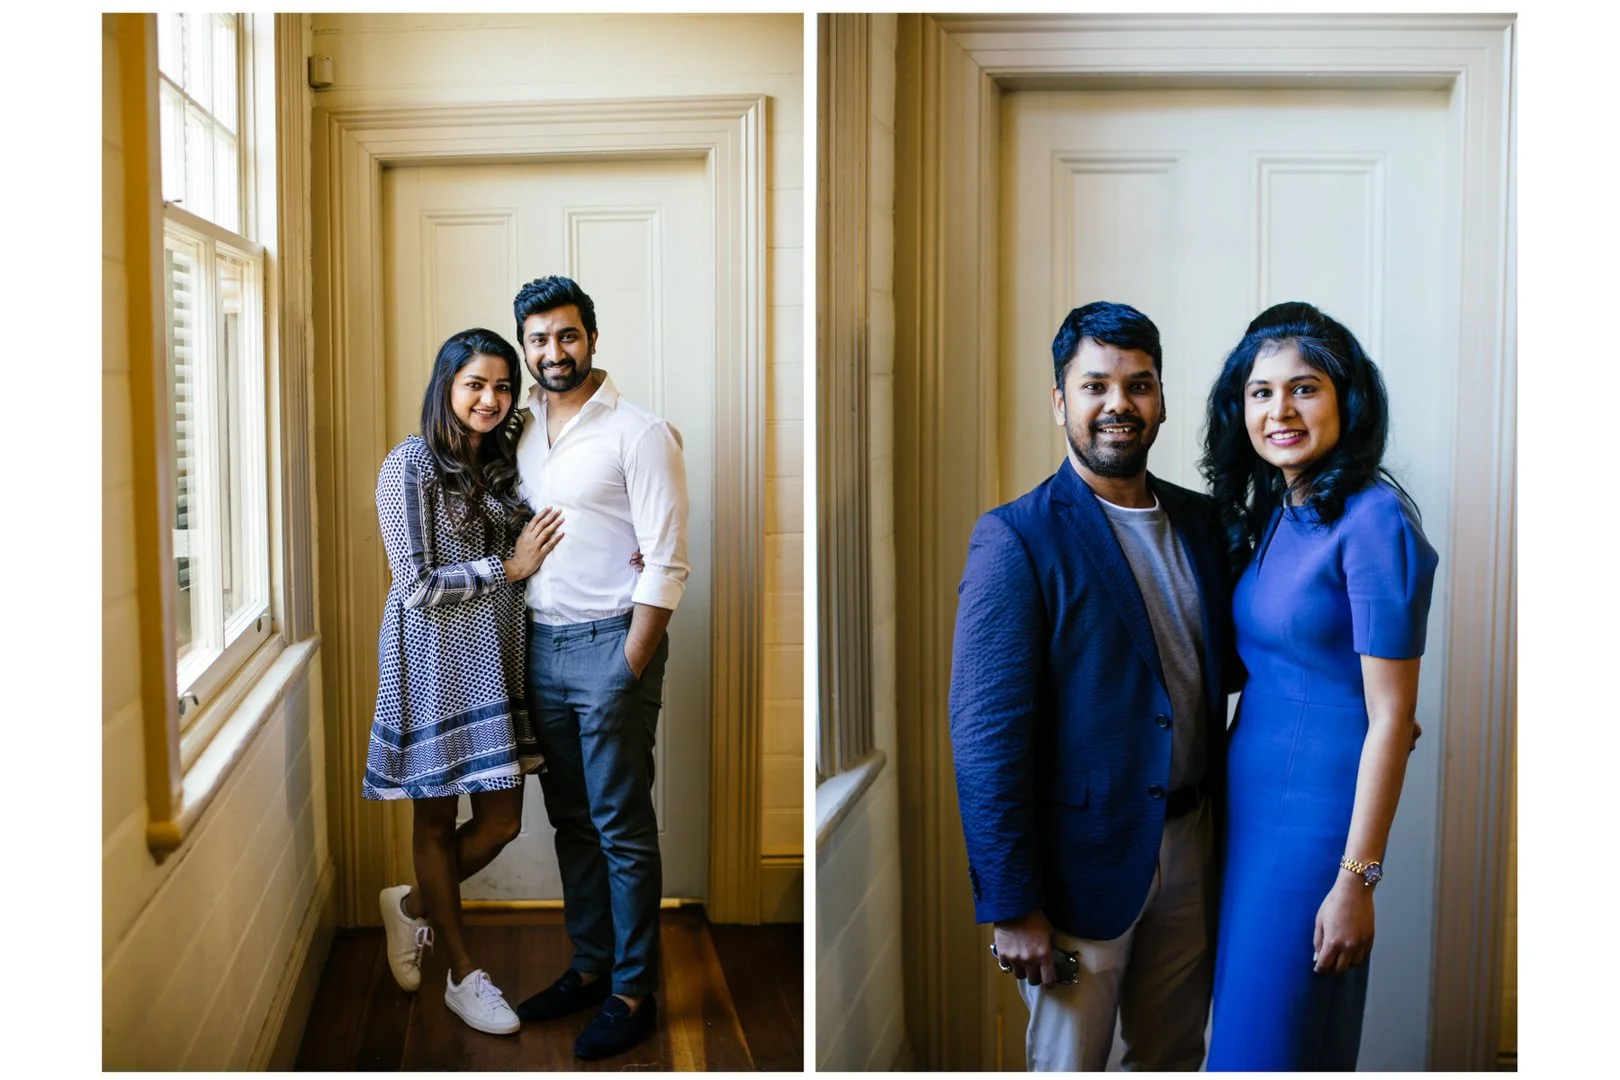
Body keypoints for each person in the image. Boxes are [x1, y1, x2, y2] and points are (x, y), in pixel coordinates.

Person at [949, 301, 1237, 1071]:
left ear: (1162, 400)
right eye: (1096, 385)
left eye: (1139, 385)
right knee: (1069, 1059)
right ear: (1060, 402)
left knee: (1174, 1053)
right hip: (1076, 879)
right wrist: (1012, 907)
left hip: (1194, 851)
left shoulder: (1204, 525)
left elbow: (1250, 667)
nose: (1119, 404)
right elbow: (984, 740)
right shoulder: (1016, 537)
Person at [1199, 302, 1438, 1071]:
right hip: (1249, 810)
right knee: (1249, 1036)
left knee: (1268, 1051)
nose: (1281, 411)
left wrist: (1356, 881)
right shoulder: (1279, 507)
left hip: (1314, 829)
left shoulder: (1374, 522)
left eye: (1304, 388)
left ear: (1346, 397)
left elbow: (1393, 718)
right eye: (1261, 392)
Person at [506, 276, 690, 1060]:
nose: (555, 351)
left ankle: (633, 990)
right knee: (571, 821)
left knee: (620, 824)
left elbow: (669, 562)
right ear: (526, 345)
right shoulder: (517, 433)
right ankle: (590, 966)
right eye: (540, 339)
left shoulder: (640, 433)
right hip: (539, 647)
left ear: (592, 338)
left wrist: (629, 664)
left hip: (612, 644)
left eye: (568, 335)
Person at [364, 328, 564, 1035]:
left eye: (502, 386)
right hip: (434, 658)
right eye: (475, 383)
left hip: (497, 657)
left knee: (503, 821)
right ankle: (460, 971)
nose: (490, 398)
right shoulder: (409, 465)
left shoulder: (506, 463)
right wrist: (505, 570)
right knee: (435, 820)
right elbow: (415, 586)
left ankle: (413, 906)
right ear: (446, 386)